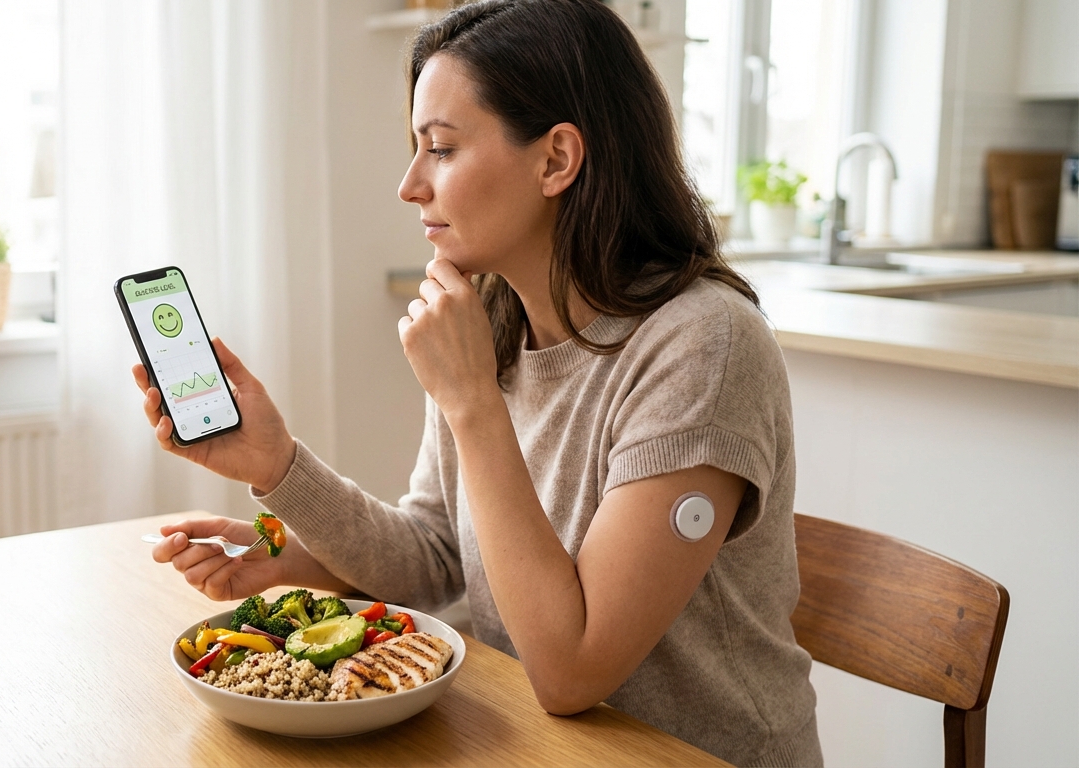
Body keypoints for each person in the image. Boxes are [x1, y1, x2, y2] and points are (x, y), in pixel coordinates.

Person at [139, 0, 821, 764]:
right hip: (538, 746)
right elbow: (436, 557)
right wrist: (278, 468)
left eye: (440, 148)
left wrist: (472, 402)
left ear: (556, 160)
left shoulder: (704, 344)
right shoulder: (495, 316)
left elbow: (572, 670)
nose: (409, 185)